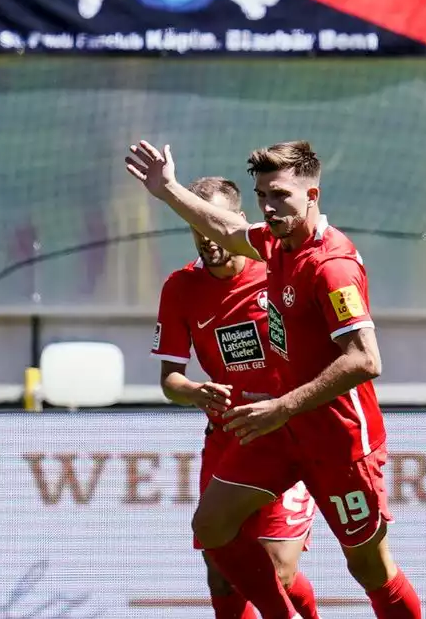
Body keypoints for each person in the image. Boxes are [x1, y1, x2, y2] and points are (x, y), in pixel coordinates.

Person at [126, 140, 421, 619]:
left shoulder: (332, 266)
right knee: (212, 527)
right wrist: (167, 189)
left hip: (337, 439)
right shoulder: (273, 243)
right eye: (262, 194)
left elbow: (366, 360)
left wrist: (282, 406)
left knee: (369, 568)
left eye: (280, 194)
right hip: (280, 430)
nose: (268, 205)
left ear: (312, 195)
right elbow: (225, 226)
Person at [153, 176, 320, 619]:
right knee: (222, 568)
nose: (206, 239)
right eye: (195, 227)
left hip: (287, 434)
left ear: (238, 222)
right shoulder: (180, 288)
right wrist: (195, 391)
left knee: (278, 570)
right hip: (228, 439)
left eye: (214, 226)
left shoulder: (277, 269)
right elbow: (170, 379)